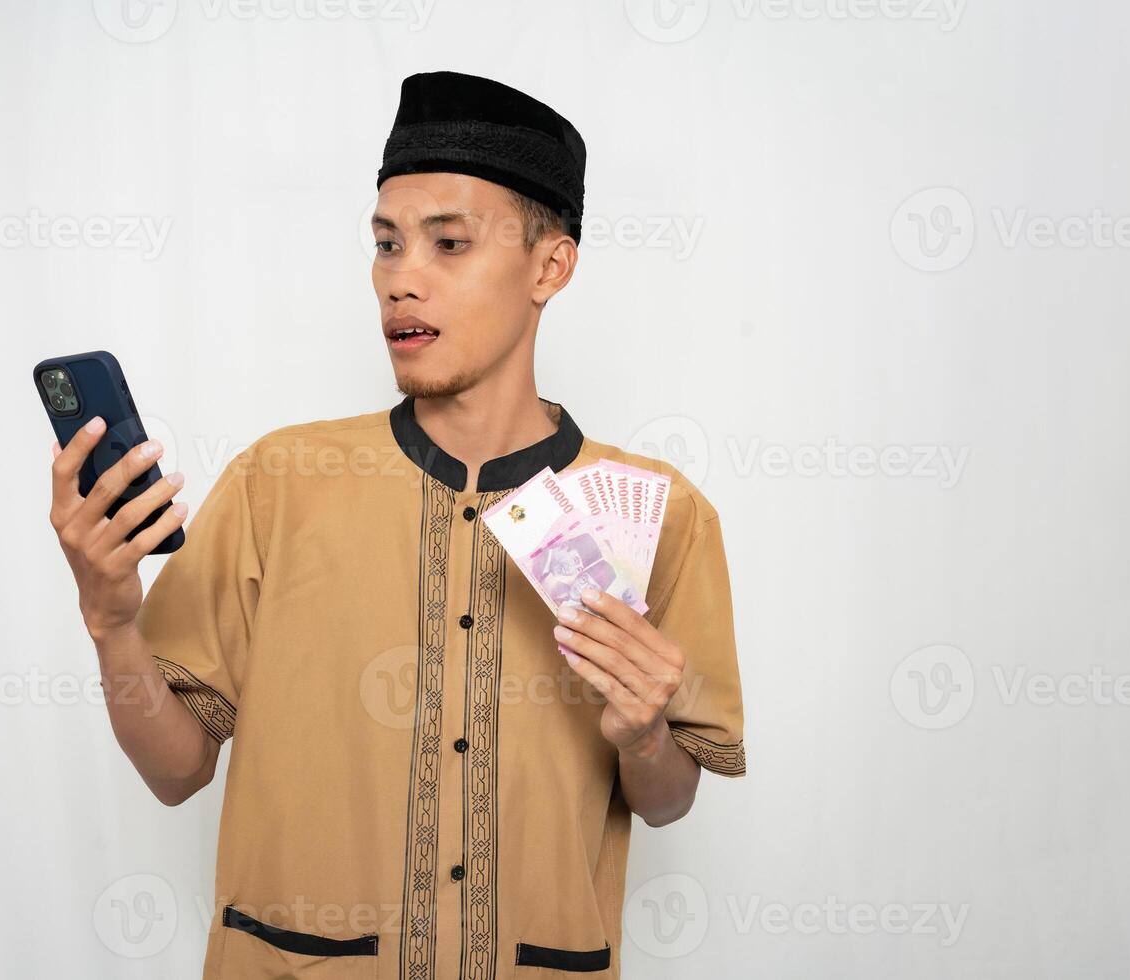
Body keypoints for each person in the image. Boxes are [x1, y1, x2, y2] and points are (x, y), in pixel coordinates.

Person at [47, 69, 745, 980]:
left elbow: (666, 801)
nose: (401, 281)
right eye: (386, 245)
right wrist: (111, 620)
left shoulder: (662, 512)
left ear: (550, 267)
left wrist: (647, 734)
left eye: (448, 244)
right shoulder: (280, 483)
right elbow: (175, 769)